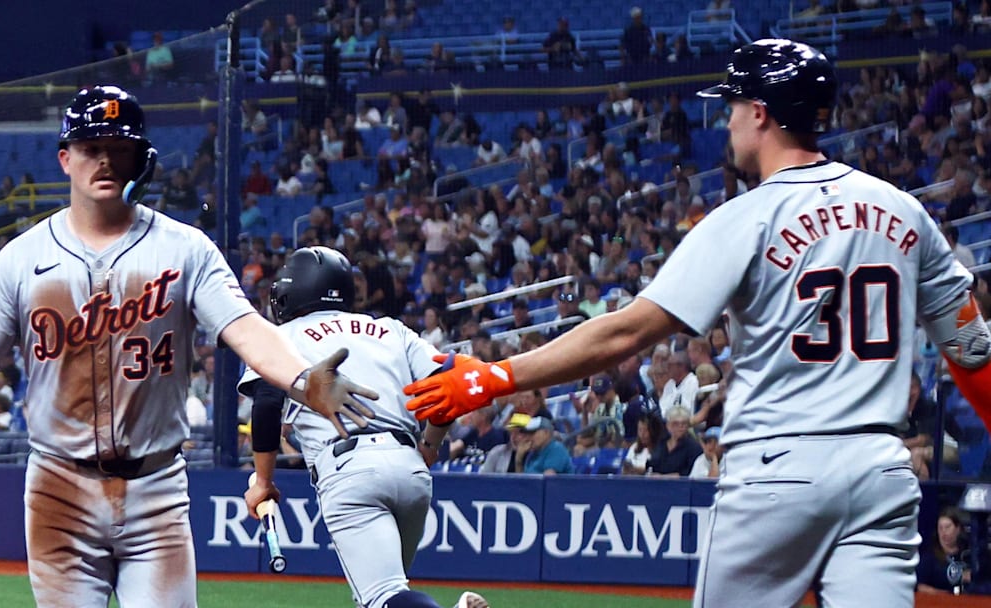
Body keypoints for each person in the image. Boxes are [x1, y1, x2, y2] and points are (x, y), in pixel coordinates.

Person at [403, 40, 991, 608]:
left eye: (733, 105)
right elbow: (971, 351)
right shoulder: (903, 209)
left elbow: (625, 333)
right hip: (881, 474)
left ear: (760, 112)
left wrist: (489, 377)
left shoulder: (746, 217)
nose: (728, 120)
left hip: (777, 471)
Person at [0, 86, 379, 608]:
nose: (106, 159)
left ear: (142, 157)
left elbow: (243, 326)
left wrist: (299, 378)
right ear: (66, 159)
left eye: (120, 146)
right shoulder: (23, 258)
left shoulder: (184, 248)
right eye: (91, 147)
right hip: (57, 489)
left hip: (155, 488)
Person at [237, 247, 489, 608]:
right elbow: (447, 385)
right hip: (410, 467)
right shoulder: (389, 329)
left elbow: (265, 404)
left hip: (350, 468)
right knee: (391, 595)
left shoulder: (284, 335)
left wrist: (262, 482)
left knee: (383, 597)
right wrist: (430, 446)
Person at [916, 506, 970, 593]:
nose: (943, 532)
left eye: (947, 527)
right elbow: (921, 587)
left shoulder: (968, 554)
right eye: (940, 528)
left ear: (958, 529)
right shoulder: (929, 558)